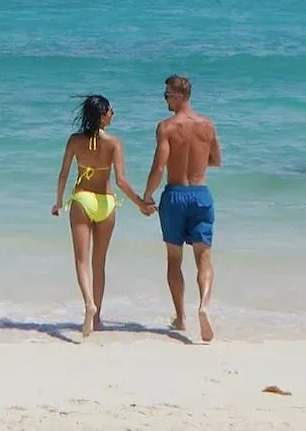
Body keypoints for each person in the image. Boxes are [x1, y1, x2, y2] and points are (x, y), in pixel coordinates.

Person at [52, 94, 151, 338]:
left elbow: (63, 174)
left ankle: (88, 303)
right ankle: (97, 319)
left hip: (82, 200)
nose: (113, 114)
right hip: (106, 203)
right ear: (103, 115)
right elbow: (121, 181)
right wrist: (140, 203)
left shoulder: (75, 141)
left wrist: (58, 202)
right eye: (111, 111)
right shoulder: (114, 143)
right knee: (99, 263)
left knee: (81, 261)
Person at [139, 74, 221, 343]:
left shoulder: (166, 127)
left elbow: (159, 167)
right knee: (204, 258)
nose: (165, 100)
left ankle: (180, 318)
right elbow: (216, 160)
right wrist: (195, 166)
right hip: (201, 195)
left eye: (166, 95)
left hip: (174, 195)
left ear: (177, 96)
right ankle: (204, 307)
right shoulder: (208, 126)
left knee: (174, 259)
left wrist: (147, 196)